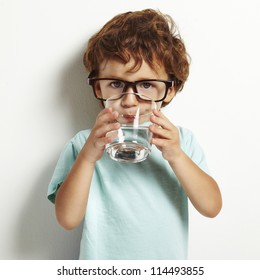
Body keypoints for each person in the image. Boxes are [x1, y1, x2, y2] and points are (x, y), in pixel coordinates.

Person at [47, 9, 222, 260]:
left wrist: (176, 156)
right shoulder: (83, 145)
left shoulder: (182, 141)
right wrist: (87, 157)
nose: (130, 100)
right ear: (99, 87)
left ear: (169, 90)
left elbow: (211, 207)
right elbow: (67, 219)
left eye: (146, 85)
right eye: (116, 84)